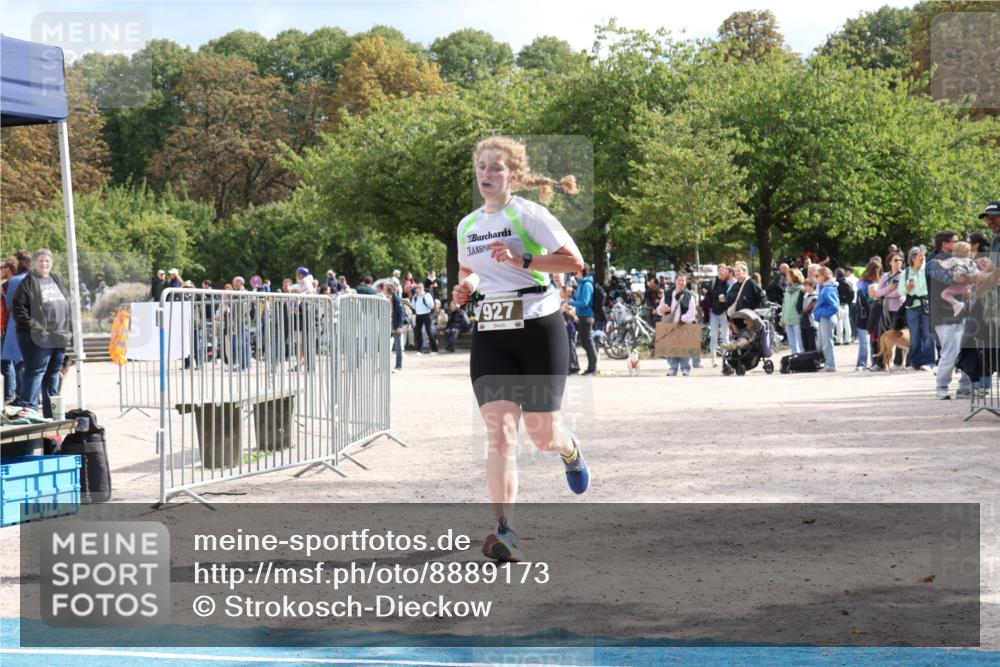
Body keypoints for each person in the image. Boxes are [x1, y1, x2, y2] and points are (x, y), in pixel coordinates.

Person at [451, 135, 589, 562]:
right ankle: (505, 528)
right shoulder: (467, 225)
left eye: (496, 168)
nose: (486, 175)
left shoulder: (529, 215)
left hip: (538, 327)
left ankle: (570, 450)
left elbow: (574, 262)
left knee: (543, 434)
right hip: (492, 331)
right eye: (481, 167)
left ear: (513, 174)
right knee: (500, 435)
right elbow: (471, 270)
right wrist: (466, 288)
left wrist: (523, 260)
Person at [11, 249, 72, 416]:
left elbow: (67, 302)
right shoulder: (29, 281)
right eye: (41, 261)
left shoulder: (55, 279)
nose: (44, 264)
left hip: (59, 336)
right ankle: (28, 412)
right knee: (36, 372)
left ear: (51, 263)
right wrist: (36, 326)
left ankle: (51, 413)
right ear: (35, 263)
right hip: (37, 337)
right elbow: (18, 308)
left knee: (53, 375)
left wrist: (69, 328)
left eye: (47, 261)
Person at [927, 230, 971, 399]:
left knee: (968, 351)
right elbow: (950, 280)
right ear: (944, 244)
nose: (959, 243)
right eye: (955, 241)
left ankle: (965, 387)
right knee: (950, 352)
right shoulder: (934, 262)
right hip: (944, 315)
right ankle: (942, 388)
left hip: (962, 313)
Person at [898, 247, 934, 371]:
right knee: (914, 335)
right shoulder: (906, 272)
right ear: (913, 258)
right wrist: (908, 288)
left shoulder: (928, 270)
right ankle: (915, 362)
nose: (923, 258)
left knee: (928, 335)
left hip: (926, 304)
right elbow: (900, 291)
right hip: (911, 306)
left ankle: (929, 362)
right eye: (920, 256)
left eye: (923, 256)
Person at [657, 272, 698, 376]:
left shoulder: (689, 295)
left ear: (685, 282)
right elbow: (659, 308)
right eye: (679, 280)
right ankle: (673, 368)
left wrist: (684, 319)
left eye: (683, 280)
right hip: (670, 325)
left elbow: (692, 311)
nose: (681, 282)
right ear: (675, 281)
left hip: (684, 324)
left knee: (684, 348)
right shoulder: (668, 293)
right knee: (672, 348)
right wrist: (662, 309)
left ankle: (685, 368)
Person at [873, 252, 907, 370]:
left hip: (899, 310)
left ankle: (898, 363)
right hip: (886, 310)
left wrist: (885, 294)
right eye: (896, 260)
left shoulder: (904, 275)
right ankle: (880, 363)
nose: (899, 262)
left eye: (900, 260)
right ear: (890, 263)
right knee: (883, 336)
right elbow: (877, 293)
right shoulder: (885, 276)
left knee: (898, 336)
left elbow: (901, 293)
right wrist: (888, 289)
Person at [568, 263, 598, 375]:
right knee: (586, 343)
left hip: (587, 316)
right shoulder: (581, 284)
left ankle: (592, 368)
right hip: (582, 316)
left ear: (582, 271)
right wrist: (571, 296)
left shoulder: (587, 285)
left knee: (588, 343)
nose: (574, 273)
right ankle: (590, 367)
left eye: (576, 270)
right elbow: (577, 299)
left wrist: (571, 302)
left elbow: (585, 302)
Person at [855, 261, 881, 371]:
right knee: (864, 342)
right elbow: (866, 299)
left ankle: (874, 362)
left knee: (873, 340)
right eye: (876, 269)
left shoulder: (879, 281)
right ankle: (861, 363)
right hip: (863, 314)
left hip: (872, 315)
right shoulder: (863, 283)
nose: (878, 272)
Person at [813, 267, 840, 371]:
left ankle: (831, 365)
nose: (815, 278)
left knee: (827, 343)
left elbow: (834, 306)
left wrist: (820, 313)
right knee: (821, 342)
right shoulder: (824, 287)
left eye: (817, 276)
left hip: (827, 318)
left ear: (824, 276)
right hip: (824, 318)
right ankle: (827, 364)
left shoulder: (828, 288)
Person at [708, 264, 731, 367]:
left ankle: (726, 359)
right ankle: (713, 359)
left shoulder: (728, 282)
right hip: (714, 312)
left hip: (724, 312)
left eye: (724, 271)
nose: (722, 272)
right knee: (713, 336)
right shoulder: (713, 282)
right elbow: (708, 295)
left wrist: (725, 300)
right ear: (717, 271)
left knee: (725, 337)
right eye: (720, 270)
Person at [780, 268, 805, 354]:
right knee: (793, 344)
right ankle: (796, 361)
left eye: (788, 276)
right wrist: (783, 320)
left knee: (801, 343)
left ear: (794, 277)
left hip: (797, 320)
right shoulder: (787, 290)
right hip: (788, 320)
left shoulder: (801, 289)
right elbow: (784, 306)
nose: (786, 278)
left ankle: (804, 360)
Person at [410, 283, 437, 354]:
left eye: (420, 287)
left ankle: (434, 350)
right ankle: (419, 350)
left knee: (429, 332)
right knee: (418, 332)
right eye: (417, 288)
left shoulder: (427, 295)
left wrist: (425, 299)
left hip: (426, 315)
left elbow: (432, 306)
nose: (418, 289)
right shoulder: (415, 297)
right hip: (418, 315)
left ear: (423, 288)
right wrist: (413, 298)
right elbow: (413, 306)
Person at [386, 283, 405, 373]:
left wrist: (399, 326)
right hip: (388, 324)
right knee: (386, 346)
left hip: (395, 325)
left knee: (398, 347)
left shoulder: (397, 299)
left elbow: (401, 313)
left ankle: (398, 366)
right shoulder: (387, 299)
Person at [834, 268, 854, 345]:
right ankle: (848, 339)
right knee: (847, 322)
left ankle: (839, 339)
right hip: (846, 304)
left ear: (836, 274)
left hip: (838, 304)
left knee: (839, 322)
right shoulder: (848, 282)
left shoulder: (835, 283)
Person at [800, 278, 818, 352]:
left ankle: (813, 361)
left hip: (811, 323)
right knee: (805, 345)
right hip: (804, 322)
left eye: (806, 285)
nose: (805, 287)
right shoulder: (805, 296)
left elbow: (807, 310)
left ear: (812, 286)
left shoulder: (815, 297)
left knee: (812, 345)